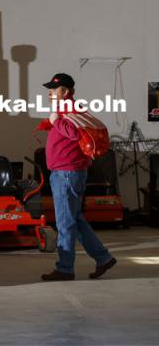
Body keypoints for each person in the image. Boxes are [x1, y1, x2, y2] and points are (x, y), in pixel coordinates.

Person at [40, 73, 117, 281]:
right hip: (66, 172)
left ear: (64, 91)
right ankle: (103, 258)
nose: (49, 93)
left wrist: (56, 122)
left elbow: (76, 134)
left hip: (67, 173)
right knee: (74, 220)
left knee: (65, 222)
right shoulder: (66, 110)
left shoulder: (69, 109)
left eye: (53, 89)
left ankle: (65, 268)